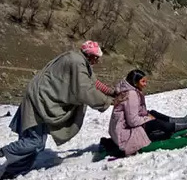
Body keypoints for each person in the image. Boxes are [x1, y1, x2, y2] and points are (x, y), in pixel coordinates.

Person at [0, 41, 114, 179]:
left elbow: (93, 81)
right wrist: (109, 101)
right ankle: (2, 153)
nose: (97, 61)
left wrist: (111, 92)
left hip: (42, 99)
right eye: (96, 57)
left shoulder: (80, 60)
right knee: (35, 142)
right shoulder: (77, 62)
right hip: (39, 100)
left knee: (35, 146)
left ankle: (10, 173)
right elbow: (85, 89)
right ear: (90, 55)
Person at [102, 69, 187, 158]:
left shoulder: (129, 90)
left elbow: (134, 112)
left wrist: (148, 115)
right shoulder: (131, 95)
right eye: (143, 81)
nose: (145, 84)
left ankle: (183, 120)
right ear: (135, 83)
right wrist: (148, 118)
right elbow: (132, 121)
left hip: (121, 128)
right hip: (124, 133)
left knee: (152, 113)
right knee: (155, 123)